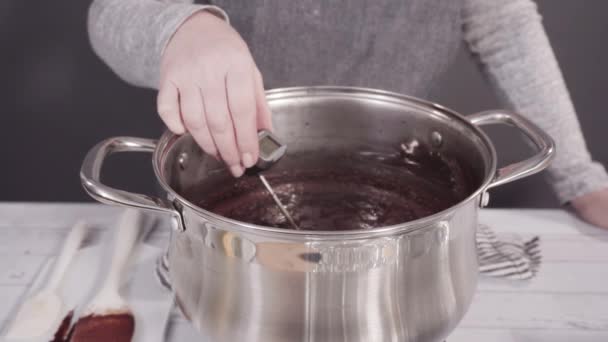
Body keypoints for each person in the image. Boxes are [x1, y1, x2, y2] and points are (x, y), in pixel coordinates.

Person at [87, 0, 608, 229]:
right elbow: (111, 12)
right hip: (236, 164)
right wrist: (182, 28)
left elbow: (503, 27)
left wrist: (580, 178)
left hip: (401, 178)